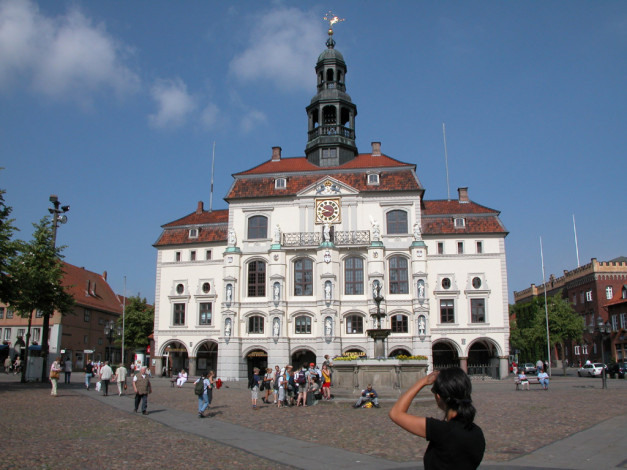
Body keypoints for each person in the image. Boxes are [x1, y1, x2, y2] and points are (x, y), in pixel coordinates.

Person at [389, 368, 485, 470]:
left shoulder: (442, 431)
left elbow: (395, 413)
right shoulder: (477, 433)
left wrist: (423, 381)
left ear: (438, 396)